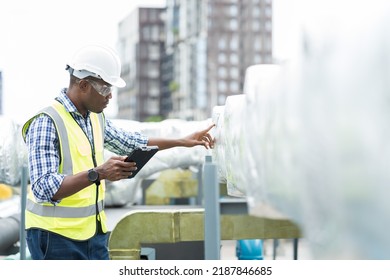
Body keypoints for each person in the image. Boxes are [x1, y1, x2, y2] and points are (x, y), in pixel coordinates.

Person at [22, 44, 215, 260]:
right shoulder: (46, 122)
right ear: (84, 85)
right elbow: (43, 187)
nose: (110, 96)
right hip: (54, 237)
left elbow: (131, 142)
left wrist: (183, 140)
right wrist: (99, 173)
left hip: (92, 233)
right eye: (105, 88)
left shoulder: (95, 117)